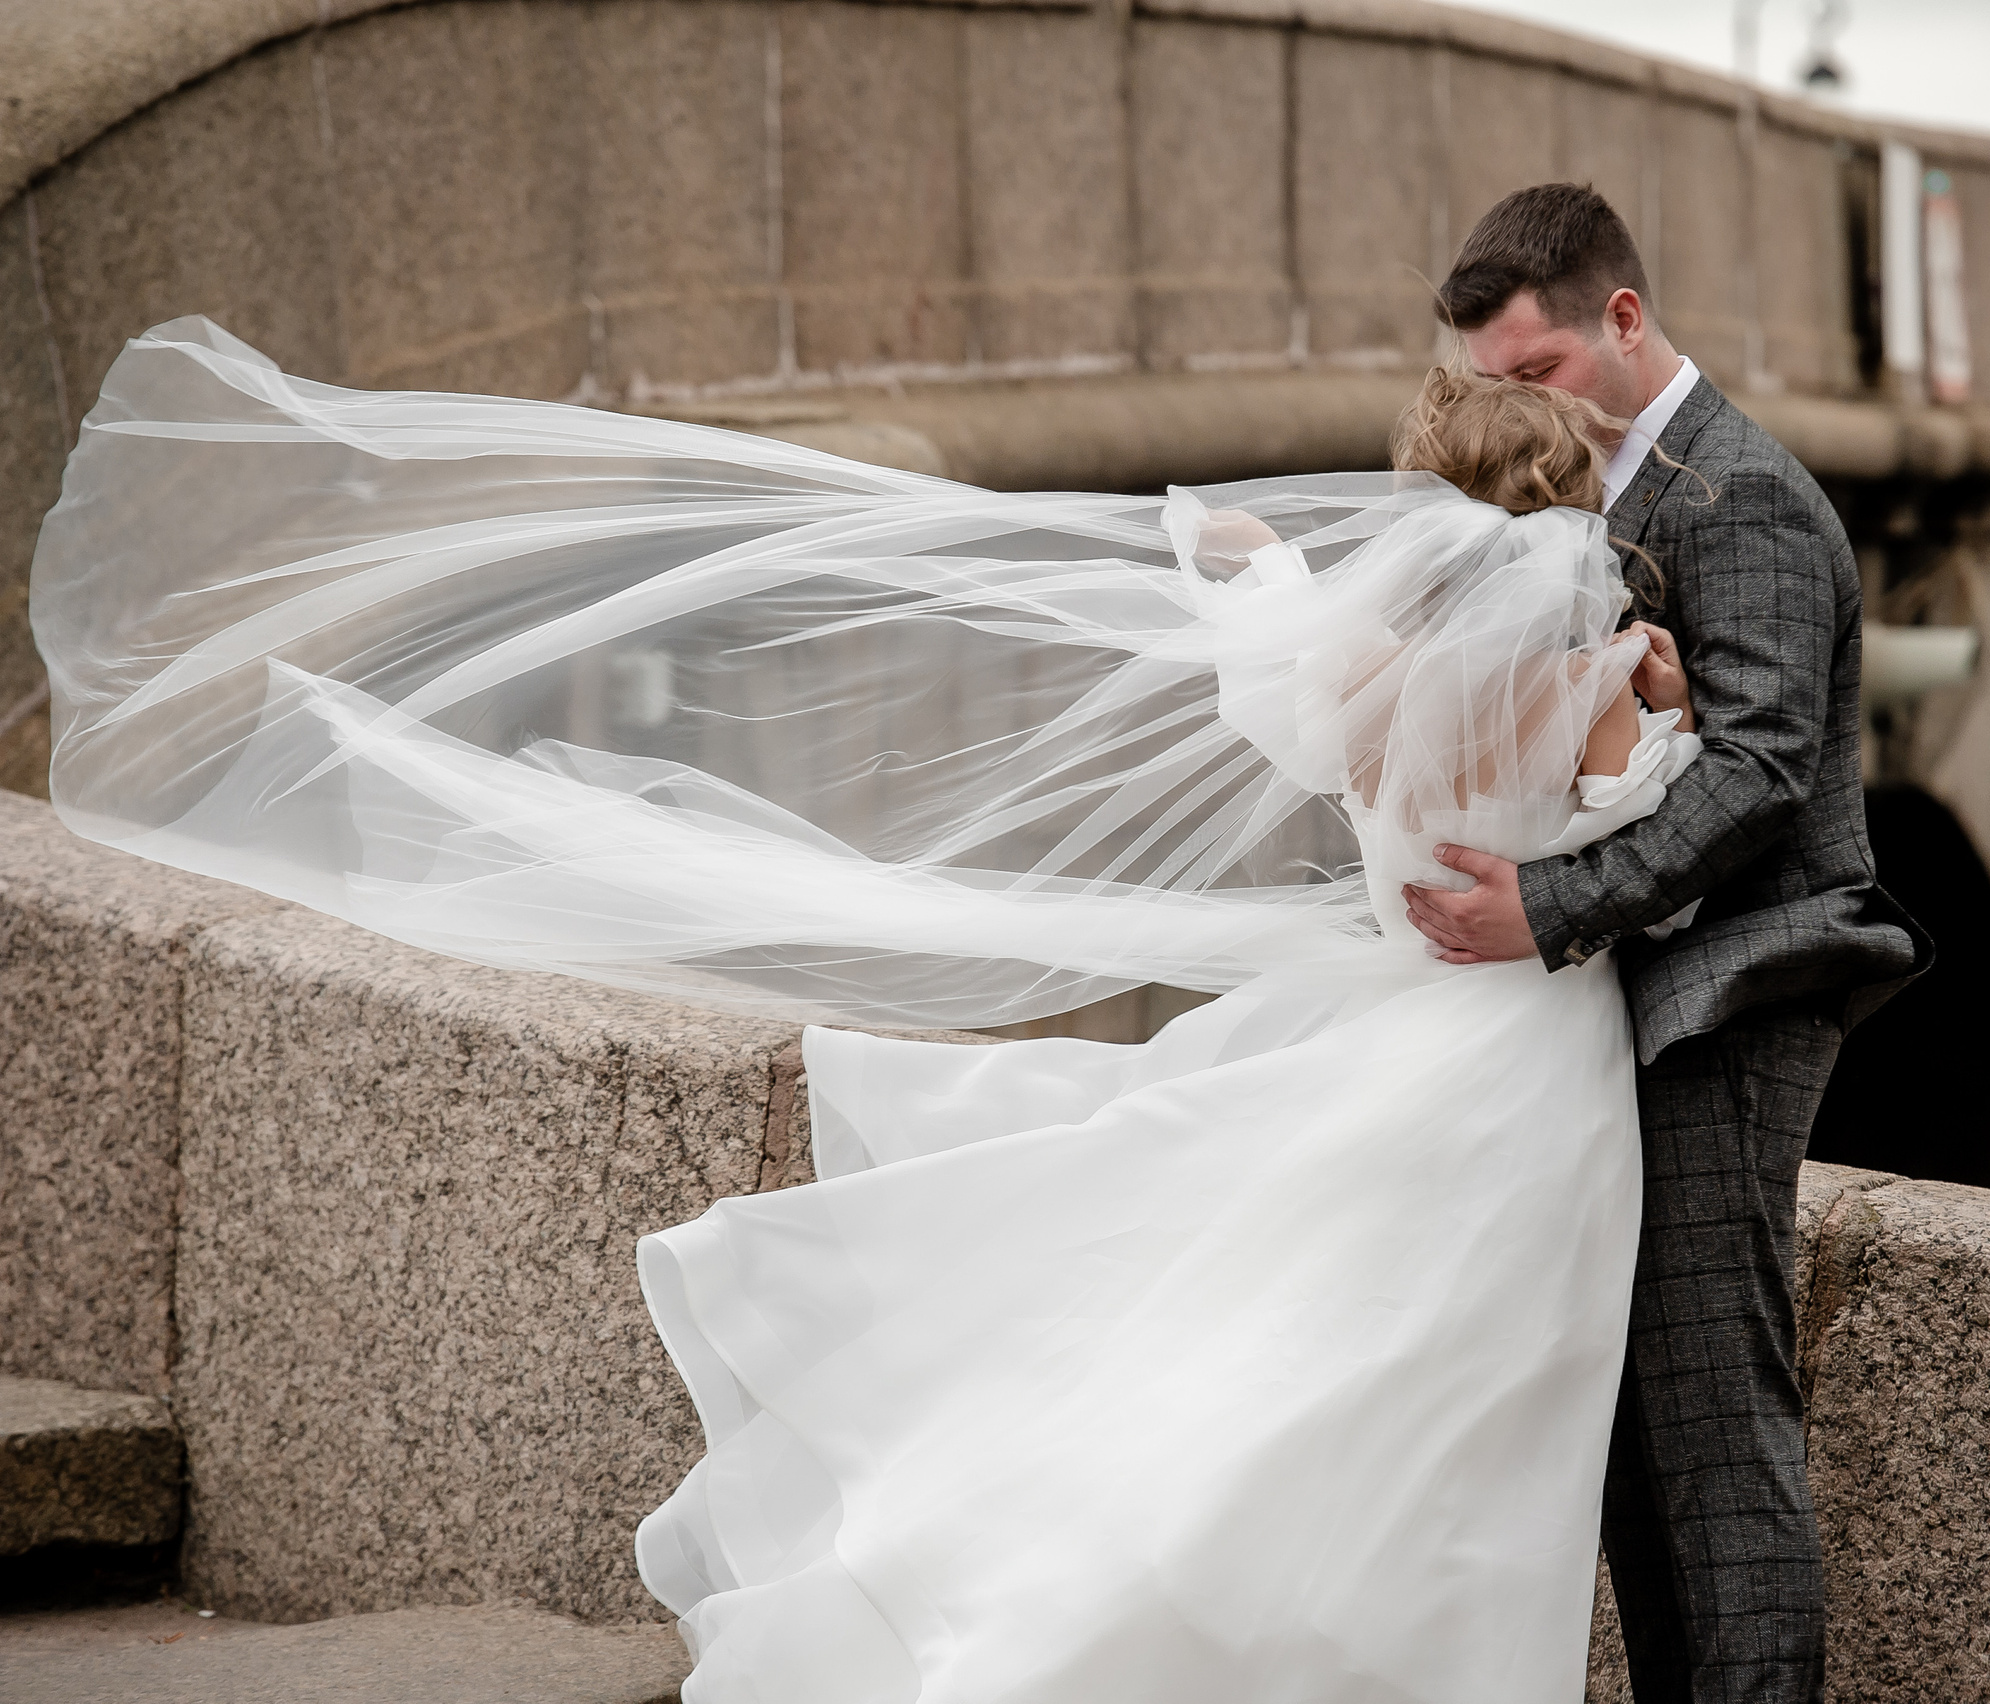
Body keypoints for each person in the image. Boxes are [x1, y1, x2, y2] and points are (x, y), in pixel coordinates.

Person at [32, 317, 1804, 1703]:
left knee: (1322, 1367)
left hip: (1394, 1024)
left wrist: (1285, 579)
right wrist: (1647, 696)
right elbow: (1706, 822)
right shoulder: (1591, 676)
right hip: (1524, 1066)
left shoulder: (1346, 667)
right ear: (1557, 518)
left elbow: (1320, 722)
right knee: (1469, 1408)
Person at [1402, 184, 1927, 1704]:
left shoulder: (1738, 493)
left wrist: (1545, 909)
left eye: (1540, 374)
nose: (1521, 406)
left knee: (1710, 1412)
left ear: (1624, 320)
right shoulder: (1583, 493)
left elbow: (1765, 773)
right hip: (1629, 1001)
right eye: (1495, 385)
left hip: (1734, 996)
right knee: (1627, 1420)